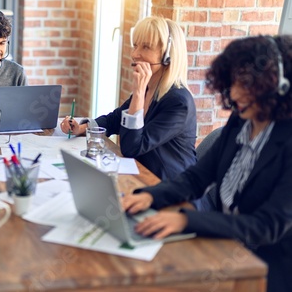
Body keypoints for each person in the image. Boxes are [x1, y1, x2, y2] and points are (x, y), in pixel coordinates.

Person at [123, 35, 292, 292]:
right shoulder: (240, 121)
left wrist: (186, 220)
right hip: (225, 244)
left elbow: (266, 226)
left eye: (246, 84)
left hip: (268, 269)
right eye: (233, 82)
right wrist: (150, 196)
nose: (234, 93)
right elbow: (197, 177)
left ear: (278, 86)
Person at [61, 16, 196, 180]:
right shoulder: (149, 88)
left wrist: (138, 92)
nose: (135, 54)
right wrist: (82, 127)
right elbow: (115, 119)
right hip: (141, 176)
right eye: (135, 45)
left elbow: (132, 147)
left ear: (168, 55)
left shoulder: (179, 102)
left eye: (146, 47)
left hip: (171, 190)